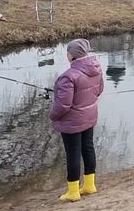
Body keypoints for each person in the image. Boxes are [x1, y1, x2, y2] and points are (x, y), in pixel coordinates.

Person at [50, 39, 104, 202]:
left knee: (72, 153)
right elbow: (99, 90)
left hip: (71, 122)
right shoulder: (96, 68)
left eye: (68, 51)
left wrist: (52, 115)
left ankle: (73, 192)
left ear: (71, 55)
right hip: (89, 117)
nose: (66, 54)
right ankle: (89, 185)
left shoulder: (68, 76)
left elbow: (63, 105)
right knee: (88, 148)